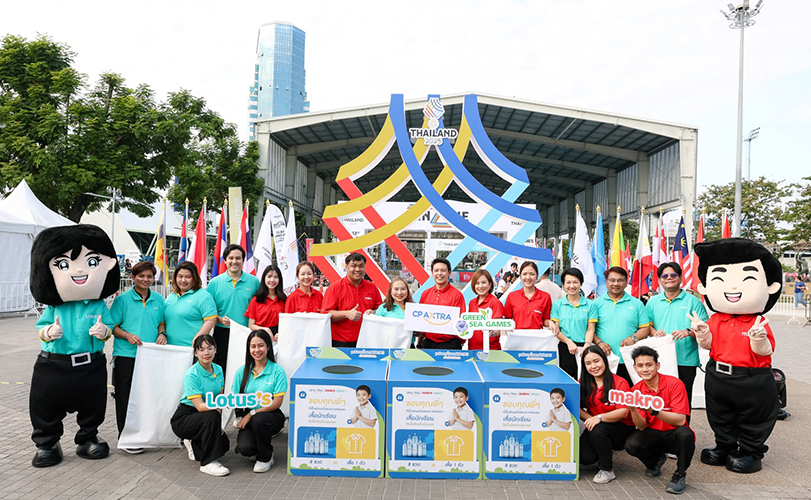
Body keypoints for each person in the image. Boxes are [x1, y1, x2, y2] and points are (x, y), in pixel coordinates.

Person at [29, 225, 119, 467]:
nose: (79, 271)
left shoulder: (97, 304)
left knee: (93, 404)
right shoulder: (56, 305)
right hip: (54, 364)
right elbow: (41, 327)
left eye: (91, 262)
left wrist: (104, 332)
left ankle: (88, 438)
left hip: (90, 364)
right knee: (45, 404)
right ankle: (47, 443)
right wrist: (49, 331)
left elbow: (109, 328)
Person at [691, 238, 782, 474]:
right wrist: (702, 333)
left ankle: (751, 451)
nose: (732, 288)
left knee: (753, 416)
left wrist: (758, 338)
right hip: (718, 375)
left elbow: (765, 351)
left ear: (770, 286)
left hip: (751, 377)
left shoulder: (757, 321)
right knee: (720, 414)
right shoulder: (716, 319)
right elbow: (709, 345)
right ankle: (725, 445)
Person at [109, 260, 166, 453]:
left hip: (150, 356)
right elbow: (112, 327)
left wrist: (162, 333)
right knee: (124, 398)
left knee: (145, 398)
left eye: (149, 276)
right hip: (126, 356)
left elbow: (162, 322)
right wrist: (127, 335)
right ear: (133, 277)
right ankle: (126, 438)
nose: (145, 279)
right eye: (141, 276)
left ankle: (142, 434)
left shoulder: (158, 299)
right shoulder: (122, 300)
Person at [624, 345, 694, 495]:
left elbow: (680, 420)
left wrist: (654, 411)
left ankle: (680, 474)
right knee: (631, 444)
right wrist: (633, 410)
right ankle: (655, 461)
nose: (645, 369)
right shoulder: (636, 390)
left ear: (657, 365)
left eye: (649, 365)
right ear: (635, 368)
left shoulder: (675, 384)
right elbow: (641, 426)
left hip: (674, 433)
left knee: (685, 435)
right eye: (640, 366)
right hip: (653, 433)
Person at [647, 262, 709, 415]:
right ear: (659, 280)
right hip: (660, 361)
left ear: (680, 278)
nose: (669, 278)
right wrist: (654, 332)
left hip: (685, 361)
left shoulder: (693, 301)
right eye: (665, 276)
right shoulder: (653, 302)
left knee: (683, 401)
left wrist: (688, 331)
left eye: (673, 275)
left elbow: (705, 327)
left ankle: (684, 429)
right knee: (660, 401)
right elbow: (646, 325)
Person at [170, 334, 230, 476]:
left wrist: (217, 425)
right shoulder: (192, 374)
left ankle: (192, 441)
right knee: (211, 416)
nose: (206, 353)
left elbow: (219, 398)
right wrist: (219, 412)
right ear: (196, 353)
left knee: (224, 444)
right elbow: (200, 407)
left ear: (215, 349)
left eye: (209, 348)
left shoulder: (218, 369)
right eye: (201, 349)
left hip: (206, 416)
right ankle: (208, 463)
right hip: (185, 417)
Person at [231, 329, 287, 473]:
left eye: (261, 345)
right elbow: (236, 398)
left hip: (270, 415)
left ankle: (265, 457)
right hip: (250, 416)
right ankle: (259, 448)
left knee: (259, 419)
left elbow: (277, 403)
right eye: (253, 346)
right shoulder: (242, 371)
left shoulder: (277, 371)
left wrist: (252, 414)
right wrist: (239, 417)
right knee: (246, 448)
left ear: (268, 347)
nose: (257, 350)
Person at [579, 345, 634, 484]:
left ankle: (607, 469)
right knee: (584, 458)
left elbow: (624, 412)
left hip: (621, 427)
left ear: (604, 360)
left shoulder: (620, 382)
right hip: (597, 425)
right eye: (588, 363)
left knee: (598, 430)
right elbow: (576, 407)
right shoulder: (583, 383)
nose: (593, 366)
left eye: (596, 361)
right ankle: (604, 452)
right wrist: (591, 419)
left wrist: (599, 418)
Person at [592, 267, 651, 385]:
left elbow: (645, 328)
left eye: (620, 280)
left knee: (628, 392)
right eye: (612, 280)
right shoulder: (596, 304)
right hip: (604, 359)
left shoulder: (637, 304)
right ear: (606, 282)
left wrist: (633, 338)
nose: (616, 284)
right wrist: (599, 343)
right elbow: (590, 330)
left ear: (626, 282)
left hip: (629, 359)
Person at [207, 244, 261, 373]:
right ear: (225, 260)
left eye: (238, 258)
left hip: (246, 332)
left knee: (245, 367)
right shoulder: (214, 283)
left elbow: (260, 307)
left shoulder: (254, 282)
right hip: (222, 332)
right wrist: (220, 319)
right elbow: (208, 310)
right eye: (231, 258)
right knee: (222, 367)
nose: (234, 261)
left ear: (243, 260)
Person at [322, 253, 382, 347]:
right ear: (346, 267)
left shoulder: (372, 287)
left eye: (361, 266)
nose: (357, 269)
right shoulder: (334, 288)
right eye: (353, 266)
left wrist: (373, 312)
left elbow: (381, 310)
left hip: (367, 341)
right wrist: (346, 314)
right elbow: (325, 314)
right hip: (340, 342)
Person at [549, 268, 598, 379]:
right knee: (565, 379)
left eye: (575, 282)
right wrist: (568, 342)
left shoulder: (590, 305)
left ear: (581, 283)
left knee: (584, 380)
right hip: (564, 347)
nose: (572, 286)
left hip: (584, 348)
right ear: (563, 284)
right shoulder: (557, 305)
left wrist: (587, 345)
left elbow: (590, 329)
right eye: (568, 282)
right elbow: (556, 329)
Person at [164, 262, 217, 348]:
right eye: (180, 276)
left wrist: (197, 339)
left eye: (188, 277)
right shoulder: (171, 297)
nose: (183, 280)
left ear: (195, 278)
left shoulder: (203, 296)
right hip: (169, 348)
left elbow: (211, 320)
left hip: (190, 349)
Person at [418, 258, 466, 349]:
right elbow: (421, 321)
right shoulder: (425, 294)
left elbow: (461, 321)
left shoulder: (457, 295)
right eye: (436, 270)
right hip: (429, 343)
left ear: (449, 273)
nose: (439, 273)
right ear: (432, 273)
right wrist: (419, 343)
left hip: (450, 343)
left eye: (443, 270)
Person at [503, 261, 552, 330]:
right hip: (517, 336)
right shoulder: (512, 296)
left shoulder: (545, 297)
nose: (528, 277)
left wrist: (550, 323)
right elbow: (507, 319)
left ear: (537, 276)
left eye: (532, 274)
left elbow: (545, 320)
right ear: (520, 276)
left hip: (537, 336)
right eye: (524, 274)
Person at [245, 265, 287, 340]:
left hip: (279, 337)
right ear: (264, 278)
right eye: (269, 276)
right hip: (261, 337)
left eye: (276, 277)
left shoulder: (284, 299)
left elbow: (288, 322)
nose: (272, 280)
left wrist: (282, 332)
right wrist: (264, 329)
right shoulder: (256, 299)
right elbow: (251, 325)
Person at [467, 268, 504, 351]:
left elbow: (497, 329)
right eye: (477, 283)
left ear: (490, 284)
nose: (480, 286)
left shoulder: (495, 303)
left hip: (491, 350)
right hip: (473, 349)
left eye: (484, 282)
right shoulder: (471, 303)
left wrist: (491, 331)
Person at [375, 277, 414, 345]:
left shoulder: (414, 308)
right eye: (396, 289)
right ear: (390, 291)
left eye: (403, 289)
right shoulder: (383, 308)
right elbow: (375, 329)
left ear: (407, 291)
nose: (399, 292)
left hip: (409, 346)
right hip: (389, 346)